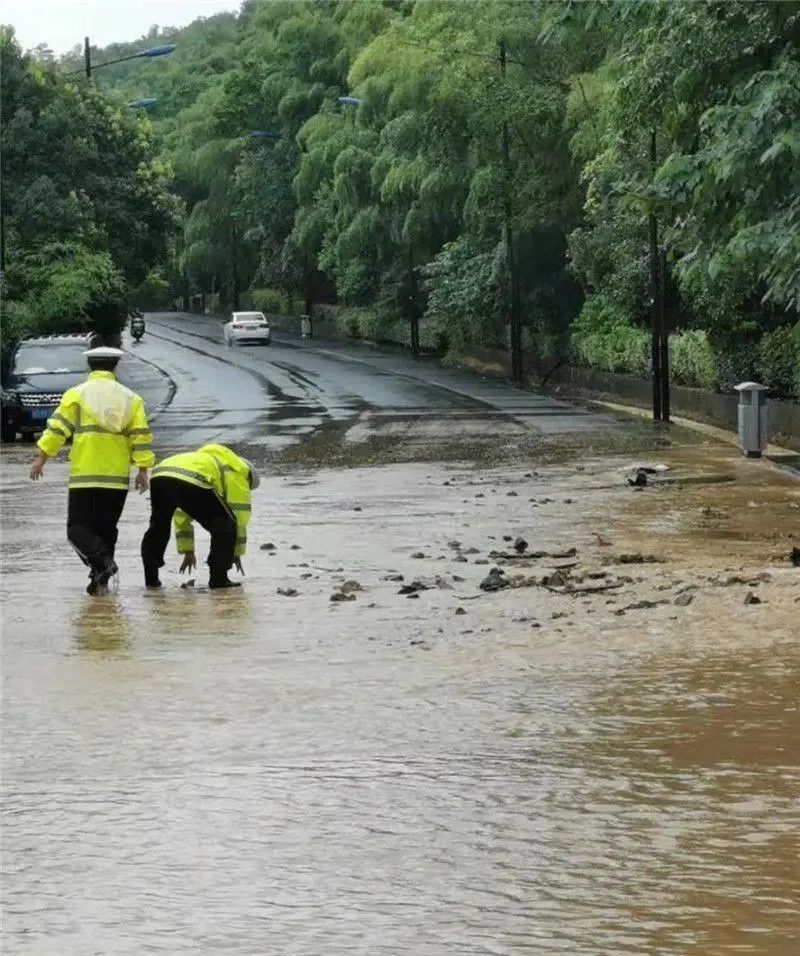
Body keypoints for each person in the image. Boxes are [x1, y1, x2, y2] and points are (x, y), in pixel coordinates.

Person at [29, 346, 155, 594]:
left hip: (84, 474)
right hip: (116, 477)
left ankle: (103, 565)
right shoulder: (131, 398)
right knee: (107, 529)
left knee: (76, 529)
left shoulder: (76, 394)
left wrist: (41, 456)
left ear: (90, 366)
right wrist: (143, 469)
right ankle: (101, 580)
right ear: (115, 367)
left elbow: (57, 429)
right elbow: (140, 436)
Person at [141, 443, 258, 590]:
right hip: (193, 479)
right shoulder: (238, 472)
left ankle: (151, 579)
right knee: (224, 525)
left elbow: (181, 515)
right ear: (249, 478)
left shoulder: (202, 461)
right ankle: (219, 580)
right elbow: (238, 516)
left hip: (161, 474)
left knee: (159, 526)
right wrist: (234, 553)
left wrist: (188, 550)